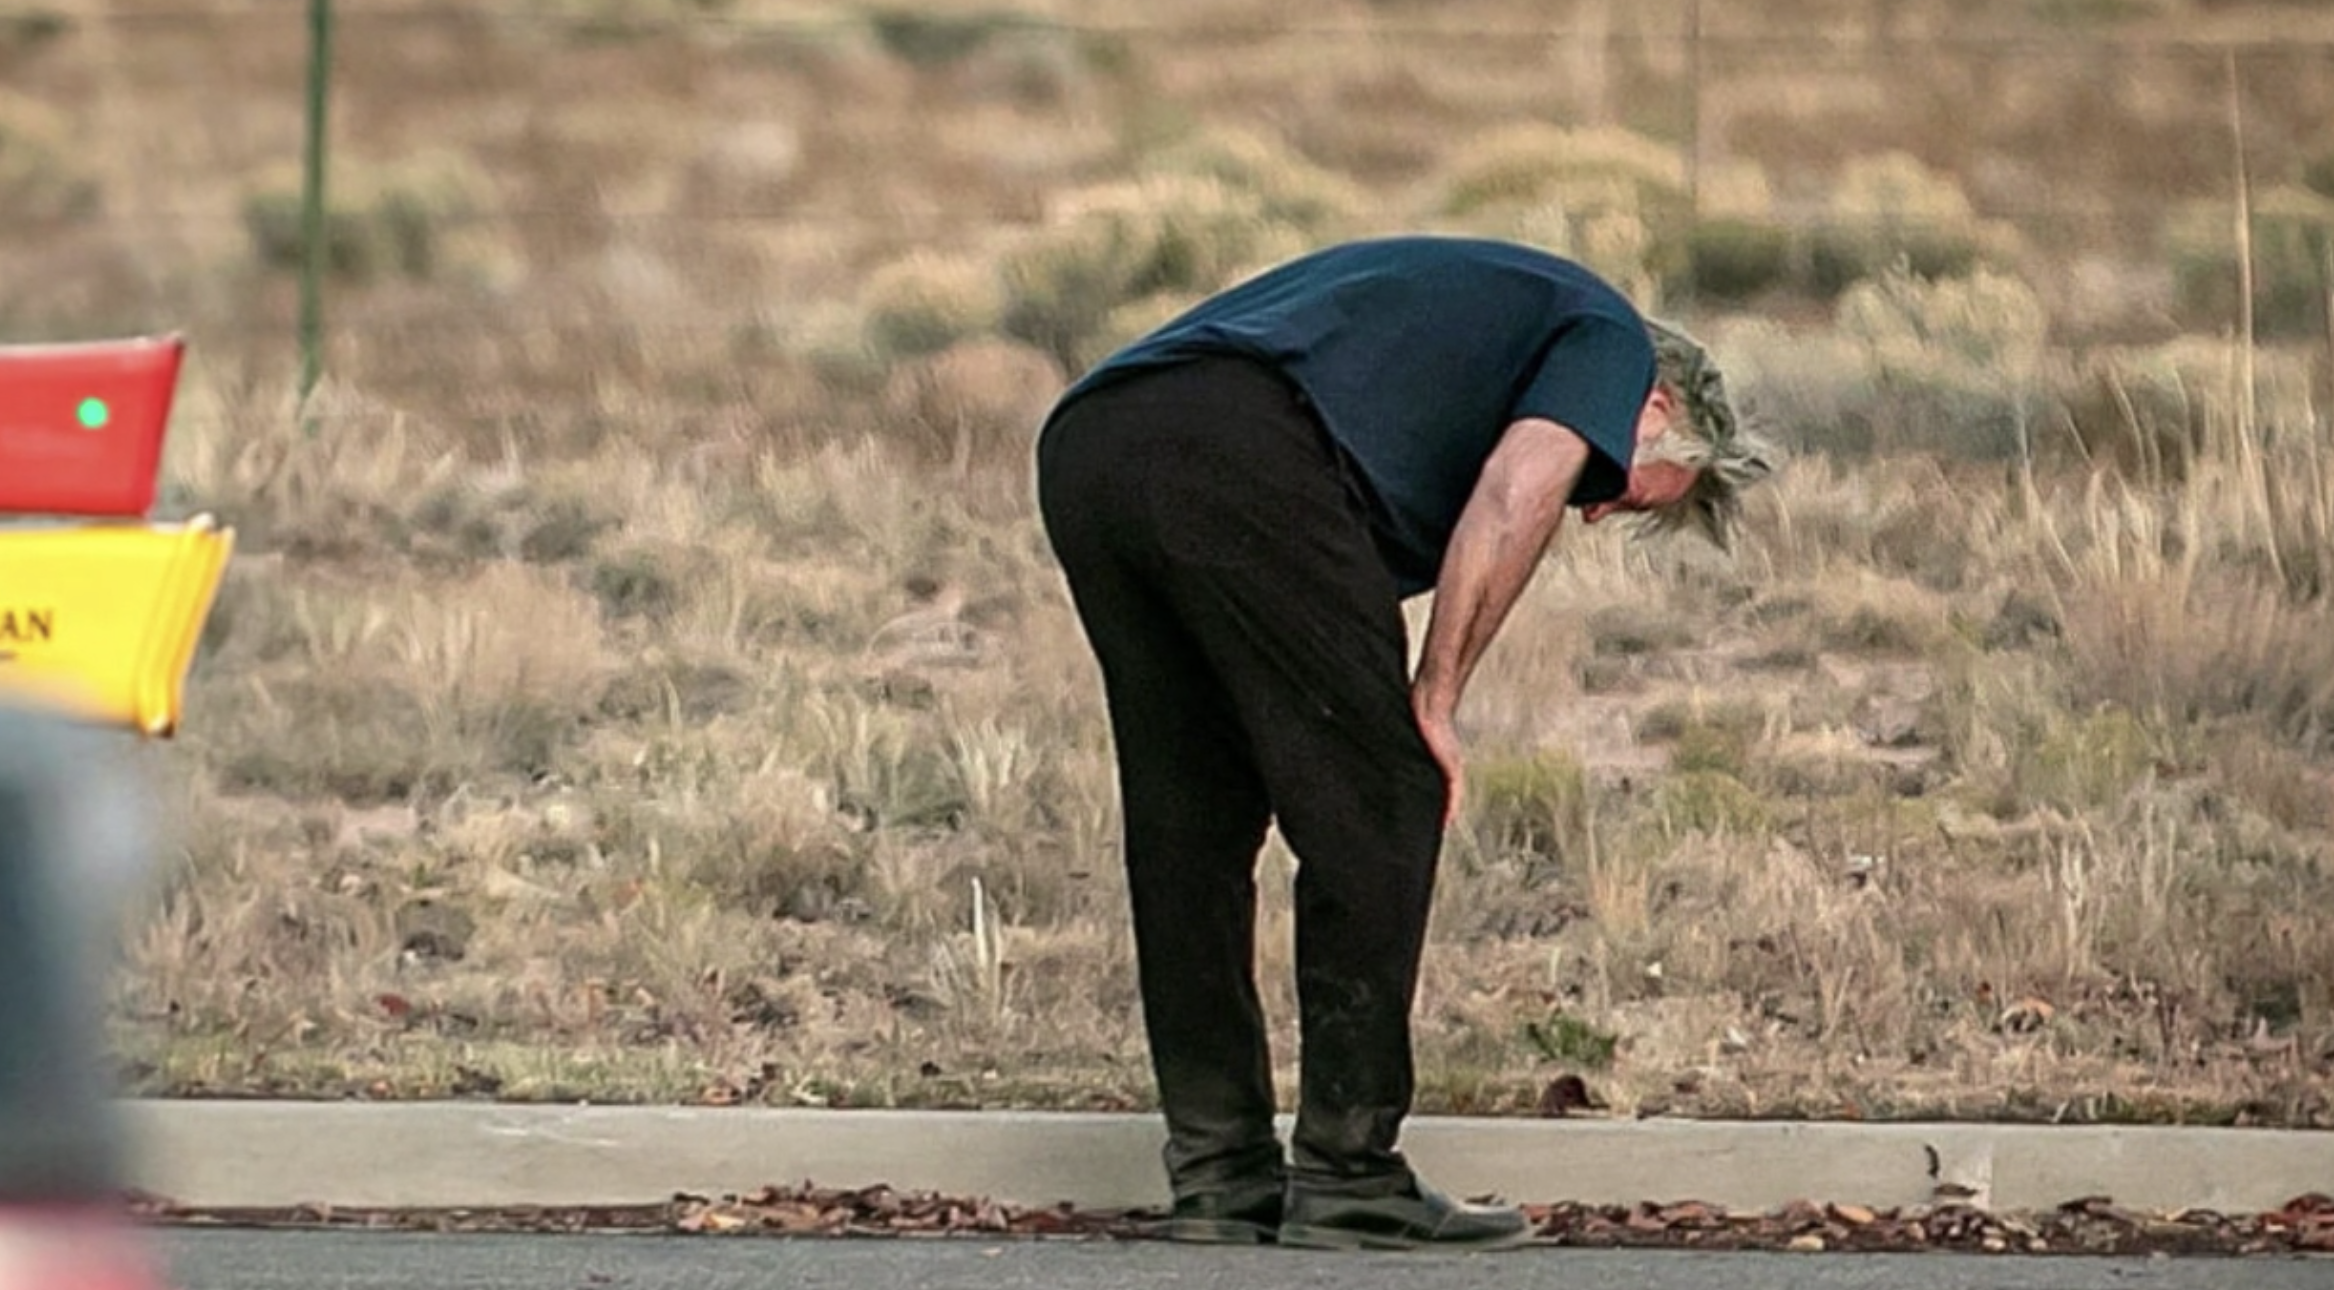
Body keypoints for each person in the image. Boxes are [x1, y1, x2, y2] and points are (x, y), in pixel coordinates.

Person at [1032, 234, 1772, 1251]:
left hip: (1094, 443)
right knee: (1386, 796)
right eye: (1621, 485)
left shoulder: (1476, 338)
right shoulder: (1608, 340)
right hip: (1235, 444)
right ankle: (1347, 1175)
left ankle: (1221, 1179)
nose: (1594, 508)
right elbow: (1517, 492)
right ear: (1658, 409)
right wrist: (1436, 696)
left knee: (1190, 828)